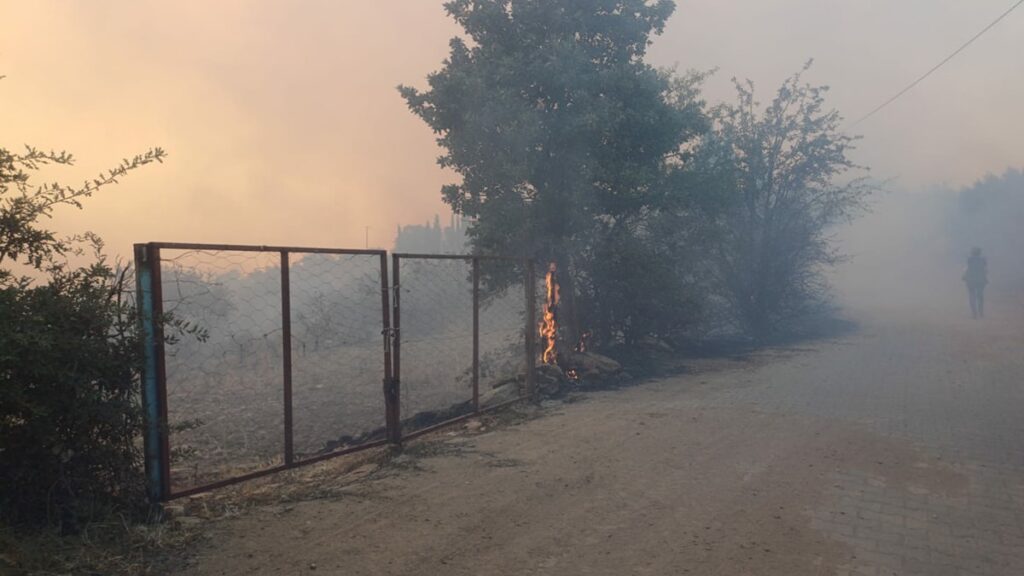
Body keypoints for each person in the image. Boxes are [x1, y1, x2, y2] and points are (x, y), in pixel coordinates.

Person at [963, 247, 988, 319]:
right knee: (980, 296)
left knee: (972, 296)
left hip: (970, 279)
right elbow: (986, 269)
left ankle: (974, 313)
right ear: (980, 252)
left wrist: (964, 276)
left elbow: (966, 268)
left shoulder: (969, 259)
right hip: (981, 280)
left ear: (972, 252)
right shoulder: (983, 259)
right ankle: (981, 313)